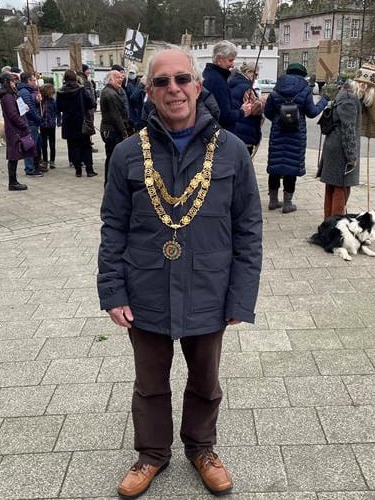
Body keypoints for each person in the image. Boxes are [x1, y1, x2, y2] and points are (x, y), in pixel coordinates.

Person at [97, 46, 263, 499]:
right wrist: (112, 290)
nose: (174, 89)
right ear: (149, 92)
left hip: (210, 287)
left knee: (205, 381)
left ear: (198, 85)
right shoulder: (129, 154)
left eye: (182, 79)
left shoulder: (230, 151)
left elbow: (249, 229)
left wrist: (240, 297)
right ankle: (152, 453)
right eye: (162, 82)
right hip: (145, 285)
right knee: (149, 383)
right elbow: (113, 226)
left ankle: (202, 448)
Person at [264, 62, 328, 213]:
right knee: (291, 167)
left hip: (278, 133)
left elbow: (267, 112)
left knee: (275, 166)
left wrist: (279, 119)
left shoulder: (276, 89)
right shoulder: (305, 90)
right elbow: (312, 112)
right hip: (296, 135)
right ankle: (287, 204)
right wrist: (323, 101)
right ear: (302, 74)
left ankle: (273, 201)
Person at [317, 63, 375, 218]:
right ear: (363, 85)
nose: (370, 92)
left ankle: (329, 221)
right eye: (371, 88)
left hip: (335, 146)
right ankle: (336, 225)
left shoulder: (346, 94)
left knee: (333, 188)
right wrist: (352, 157)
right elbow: (348, 131)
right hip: (340, 150)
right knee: (341, 189)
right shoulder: (350, 100)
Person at [203, 41, 251, 132]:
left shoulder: (208, 74)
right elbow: (224, 116)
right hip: (219, 134)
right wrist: (242, 112)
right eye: (230, 60)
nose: (232, 65)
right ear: (219, 59)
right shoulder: (217, 81)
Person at [56, 69, 97, 178]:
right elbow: (90, 103)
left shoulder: (60, 92)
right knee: (86, 146)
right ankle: (89, 169)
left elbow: (58, 107)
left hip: (68, 122)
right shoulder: (81, 89)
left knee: (73, 146)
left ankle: (78, 170)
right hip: (81, 120)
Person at [0, 72, 30, 191]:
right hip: (14, 129)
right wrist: (23, 125)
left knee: (15, 155)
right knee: (13, 155)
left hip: (14, 128)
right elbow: (12, 114)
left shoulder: (11, 95)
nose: (14, 83)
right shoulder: (7, 97)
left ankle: (14, 181)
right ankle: (12, 181)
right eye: (11, 81)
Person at [99, 70, 129, 186]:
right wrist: (124, 132)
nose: (120, 79)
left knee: (112, 157)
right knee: (112, 157)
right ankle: (110, 182)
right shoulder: (110, 94)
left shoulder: (113, 92)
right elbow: (116, 116)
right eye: (117, 77)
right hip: (112, 131)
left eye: (121, 77)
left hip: (111, 129)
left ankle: (111, 182)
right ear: (110, 79)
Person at [228, 62, 264, 156]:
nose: (256, 78)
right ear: (248, 72)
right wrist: (262, 102)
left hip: (232, 132)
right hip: (245, 134)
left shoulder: (231, 83)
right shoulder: (247, 89)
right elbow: (255, 110)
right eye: (255, 75)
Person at [17, 72, 46, 176]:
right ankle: (30, 168)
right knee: (29, 146)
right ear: (28, 81)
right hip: (30, 123)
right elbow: (29, 109)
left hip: (32, 122)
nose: (35, 82)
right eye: (33, 80)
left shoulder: (28, 91)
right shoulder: (24, 92)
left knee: (37, 145)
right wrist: (39, 119)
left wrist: (37, 101)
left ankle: (35, 165)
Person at [39, 83, 60, 169]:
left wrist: (59, 121)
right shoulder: (41, 102)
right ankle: (45, 160)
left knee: (52, 144)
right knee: (44, 144)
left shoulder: (53, 101)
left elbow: (58, 112)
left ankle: (52, 161)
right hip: (44, 124)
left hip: (50, 125)